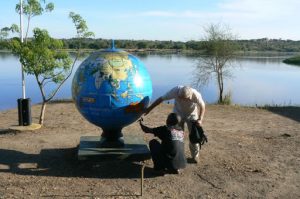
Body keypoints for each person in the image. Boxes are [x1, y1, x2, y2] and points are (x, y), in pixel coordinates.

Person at [144, 85, 205, 163]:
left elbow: (202, 106)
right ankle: (178, 156)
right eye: (180, 97)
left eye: (184, 98)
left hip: (192, 115)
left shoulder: (196, 95)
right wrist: (149, 109)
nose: (181, 99)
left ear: (189, 96)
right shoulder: (175, 91)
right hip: (178, 114)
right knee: (176, 136)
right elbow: (161, 99)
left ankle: (195, 156)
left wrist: (200, 119)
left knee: (194, 136)